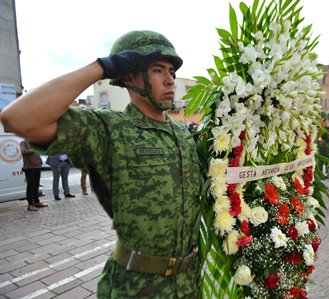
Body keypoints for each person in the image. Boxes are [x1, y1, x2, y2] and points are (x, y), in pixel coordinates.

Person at [0, 30, 202, 298]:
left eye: (172, 72)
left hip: (189, 284)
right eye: (157, 70)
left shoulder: (183, 135)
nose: (170, 80)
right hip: (137, 288)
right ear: (129, 77)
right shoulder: (108, 129)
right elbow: (18, 119)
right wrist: (101, 68)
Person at [20, 140, 48, 211]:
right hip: (29, 167)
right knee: (30, 186)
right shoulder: (23, 143)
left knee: (36, 185)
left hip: (37, 166)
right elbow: (23, 152)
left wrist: (40, 160)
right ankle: (30, 204)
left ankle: (36, 202)